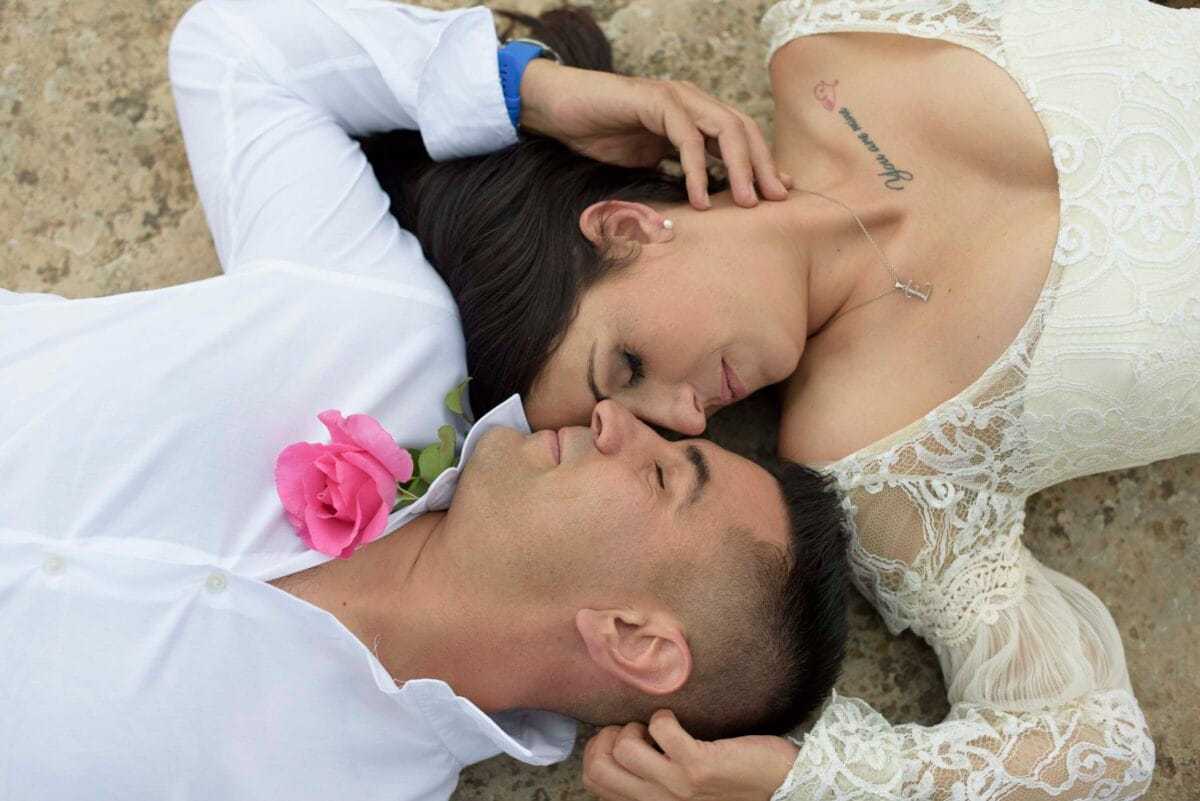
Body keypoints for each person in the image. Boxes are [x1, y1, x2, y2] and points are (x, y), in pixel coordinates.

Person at [0, 1, 850, 799]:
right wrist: (533, 91)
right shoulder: (385, 332)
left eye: (665, 474)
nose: (614, 421)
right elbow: (238, 53)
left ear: (636, 637)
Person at [372, 0, 1200, 798]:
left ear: (625, 228)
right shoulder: (879, 459)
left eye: (628, 367)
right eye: (657, 425)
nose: (689, 418)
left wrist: (531, 88)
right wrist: (811, 780)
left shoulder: (831, 27)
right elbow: (1096, 747)